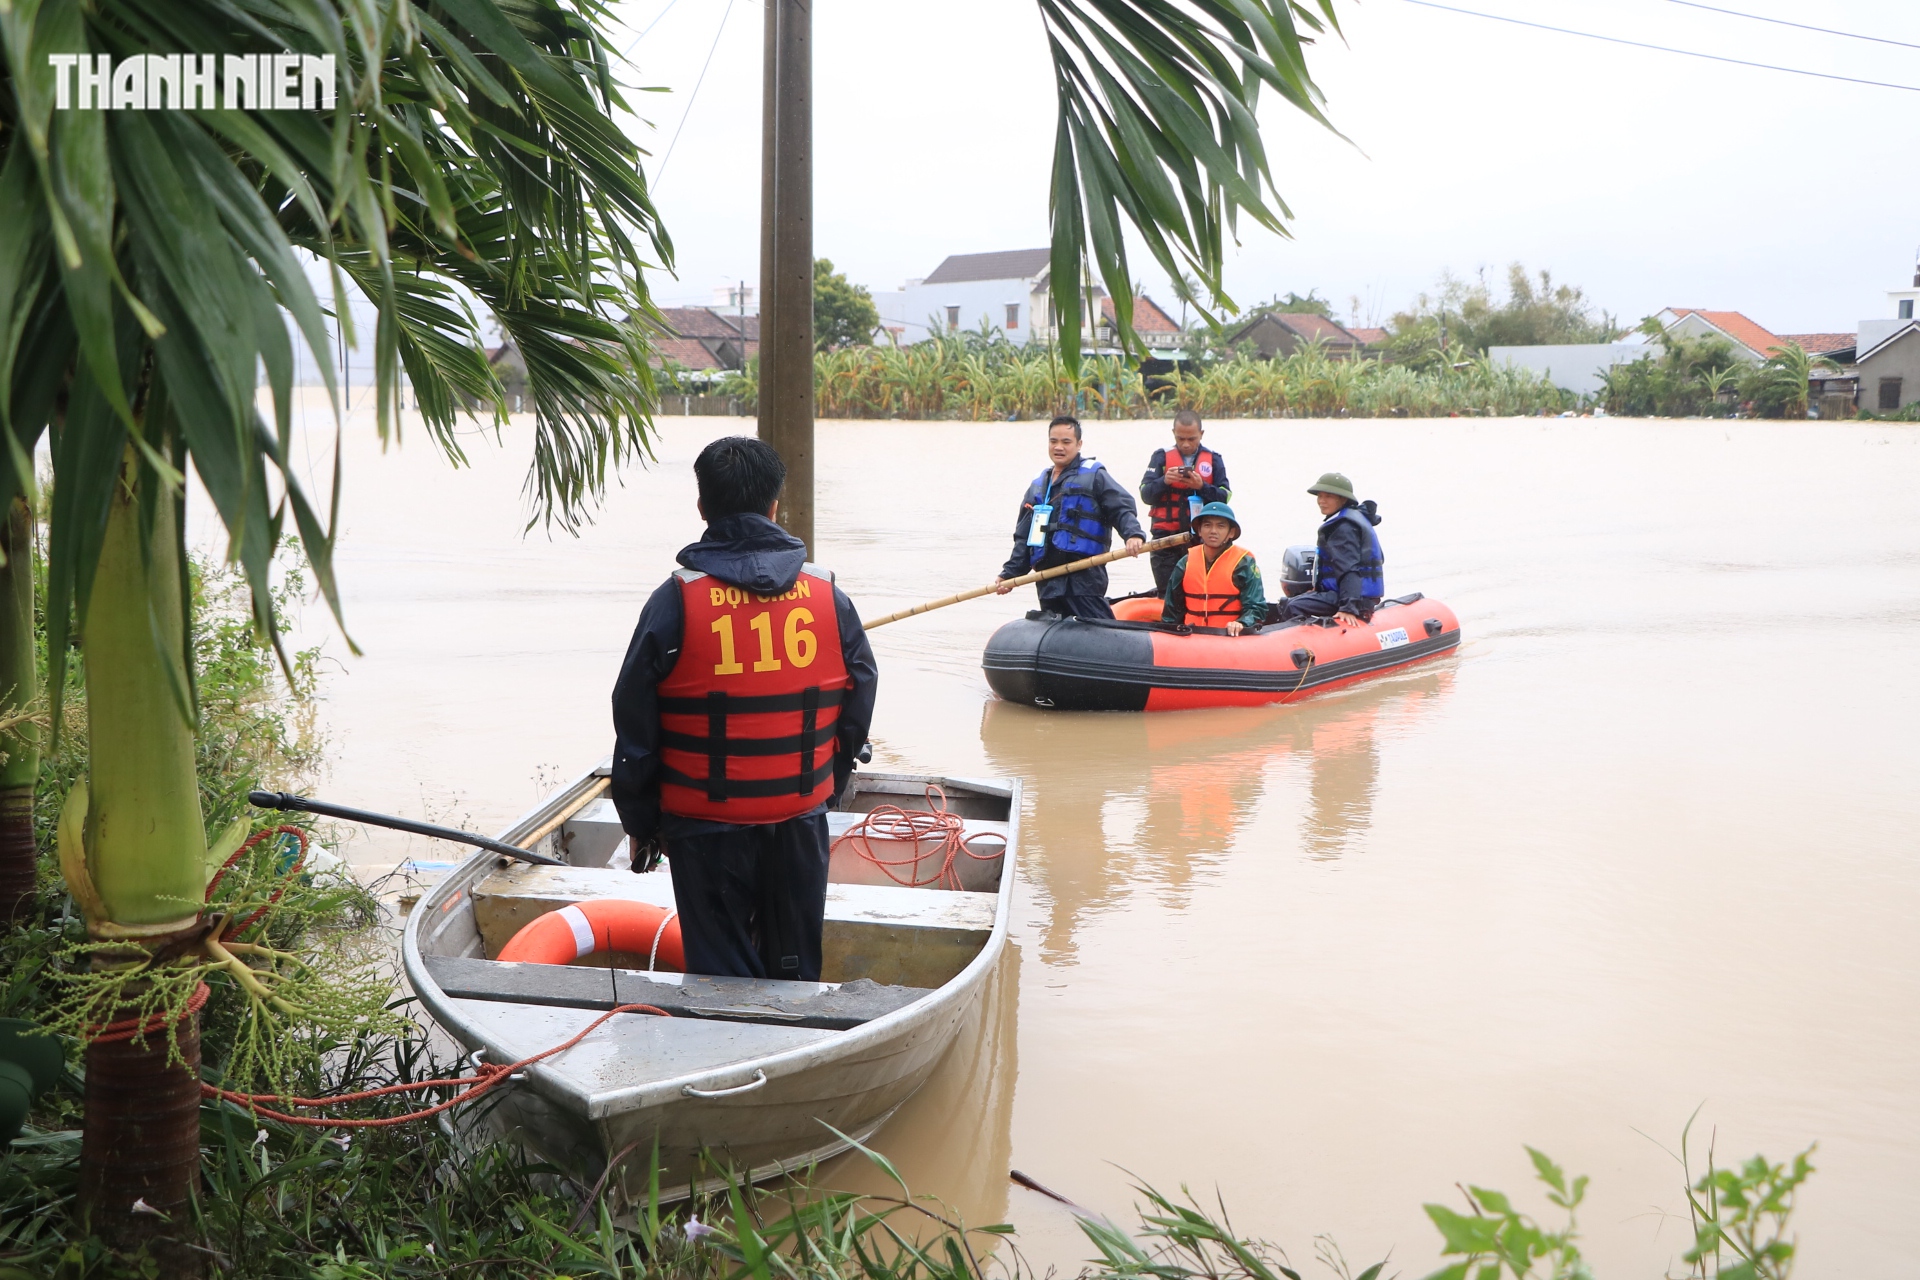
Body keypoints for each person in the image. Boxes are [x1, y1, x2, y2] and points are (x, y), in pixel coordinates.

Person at [609, 436, 878, 982]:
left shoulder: (674, 601)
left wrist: (640, 822)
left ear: (703, 507)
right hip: (801, 819)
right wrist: (828, 784)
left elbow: (634, 722)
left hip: (702, 828)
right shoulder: (829, 597)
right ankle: (794, 1055)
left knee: (719, 974)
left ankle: (726, 1056)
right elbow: (859, 698)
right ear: (775, 506)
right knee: (795, 966)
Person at [993, 415, 1145, 619]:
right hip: (1048, 579)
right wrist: (1009, 574)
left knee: (1097, 628)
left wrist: (1133, 534)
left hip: (1084, 576)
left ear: (1078, 444)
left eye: (1066, 442)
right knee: (1055, 633)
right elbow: (1024, 537)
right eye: (1053, 441)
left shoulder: (1094, 475)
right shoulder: (1038, 485)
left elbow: (1121, 508)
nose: (1059, 447)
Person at [1271, 472, 1384, 628]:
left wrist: (1348, 607)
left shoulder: (1343, 527)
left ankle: (1301, 646)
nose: (1321, 501)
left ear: (1343, 499)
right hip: (1356, 596)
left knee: (1293, 606)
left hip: (1355, 599)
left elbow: (1349, 569)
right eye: (1320, 496)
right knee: (1290, 602)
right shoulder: (1355, 517)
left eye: (1328, 496)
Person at [1139, 409, 1231, 592]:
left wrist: (1201, 486)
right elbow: (1145, 494)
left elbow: (1225, 497)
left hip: (1201, 541)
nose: (1186, 444)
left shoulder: (1214, 459)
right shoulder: (1160, 457)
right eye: (1181, 439)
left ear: (1201, 434)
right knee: (1168, 593)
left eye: (1192, 439)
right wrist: (1164, 481)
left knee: (1202, 590)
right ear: (1173, 433)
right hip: (1165, 541)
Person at [1160, 501, 1265, 636]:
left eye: (1220, 526)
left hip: (1227, 637)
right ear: (1199, 530)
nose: (1213, 531)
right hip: (1191, 636)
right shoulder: (1185, 562)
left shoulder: (1244, 564)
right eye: (1207, 525)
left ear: (1231, 532)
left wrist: (1242, 623)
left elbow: (1256, 607)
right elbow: (1172, 610)